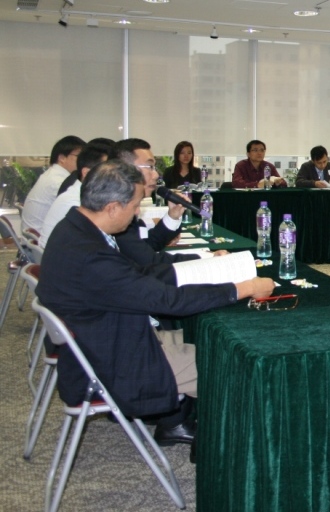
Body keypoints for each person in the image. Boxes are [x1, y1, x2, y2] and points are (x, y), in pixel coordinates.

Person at [36, 160, 275, 447]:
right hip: (115, 362)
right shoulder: (91, 256)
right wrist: (245, 288)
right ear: (112, 207)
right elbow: (168, 301)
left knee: (211, 339)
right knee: (236, 362)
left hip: (109, 339)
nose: (138, 212)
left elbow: (138, 275)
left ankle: (190, 424)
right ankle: (228, 447)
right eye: (135, 205)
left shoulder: (73, 230)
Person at [39, 140, 115, 248]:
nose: (114, 178)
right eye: (108, 172)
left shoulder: (79, 194)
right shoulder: (76, 203)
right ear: (86, 173)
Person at [21, 135, 86, 232]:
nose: (83, 161)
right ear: (62, 158)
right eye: (79, 156)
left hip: (35, 235)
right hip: (41, 237)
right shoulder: (58, 181)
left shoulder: (52, 174)